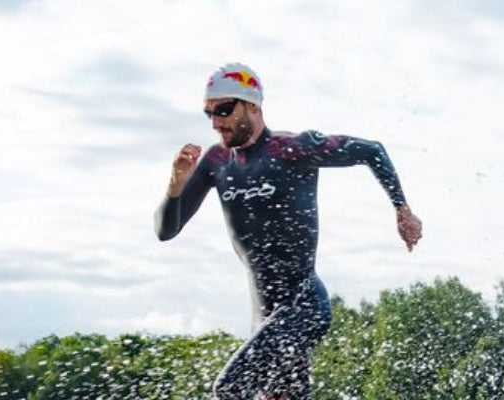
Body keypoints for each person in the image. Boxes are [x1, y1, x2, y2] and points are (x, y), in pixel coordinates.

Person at [156, 63, 424, 399]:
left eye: (223, 110)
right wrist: (175, 185)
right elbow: (166, 230)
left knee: (230, 389)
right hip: (263, 322)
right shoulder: (216, 162)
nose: (215, 122)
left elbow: (372, 151)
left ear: (252, 106)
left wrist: (402, 210)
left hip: (304, 308)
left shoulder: (292, 149)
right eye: (208, 113)